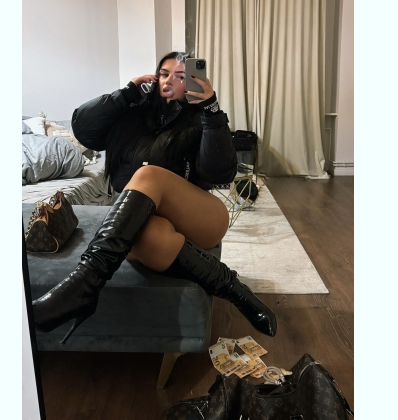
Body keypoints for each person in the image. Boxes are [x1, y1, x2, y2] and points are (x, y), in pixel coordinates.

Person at [32, 52, 277, 343]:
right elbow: (83, 130)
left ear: (193, 82)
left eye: (181, 76)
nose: (169, 80)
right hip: (144, 221)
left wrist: (211, 110)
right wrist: (125, 94)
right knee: (146, 235)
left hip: (200, 217)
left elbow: (219, 172)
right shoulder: (133, 113)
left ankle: (83, 284)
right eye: (164, 73)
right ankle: (235, 290)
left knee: (148, 174)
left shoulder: (200, 118)